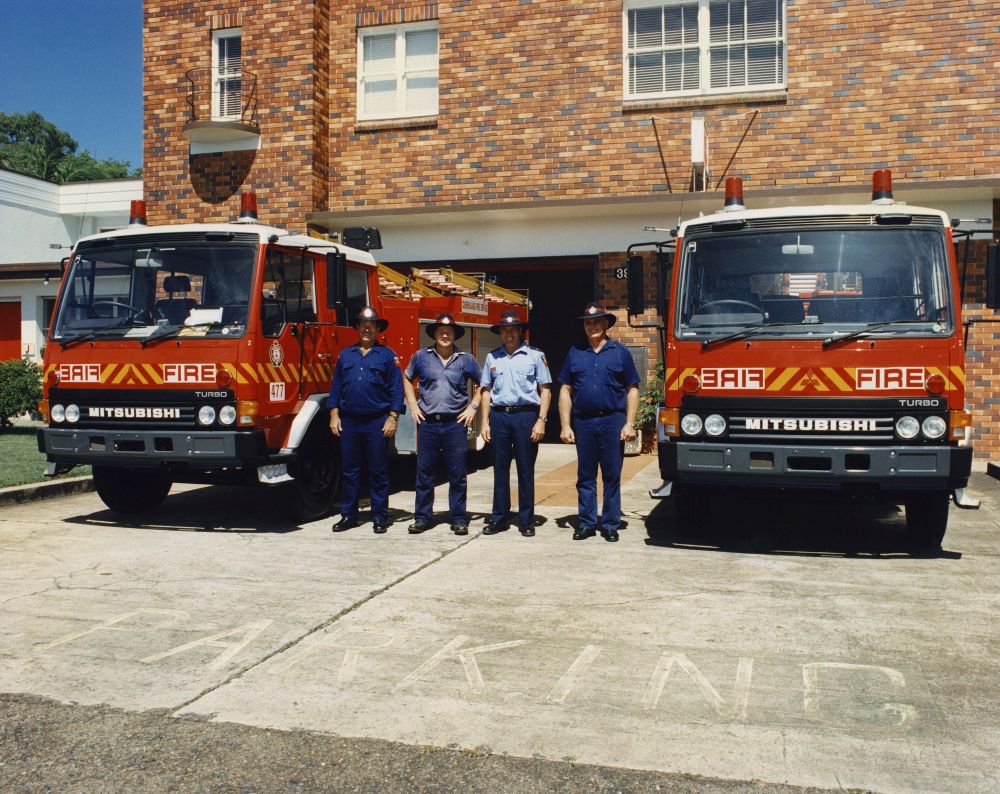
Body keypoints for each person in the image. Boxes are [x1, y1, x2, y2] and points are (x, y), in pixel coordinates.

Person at [558, 303, 640, 542]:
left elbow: (633, 389)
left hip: (612, 421)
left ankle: (611, 524)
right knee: (585, 475)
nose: (592, 326)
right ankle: (586, 523)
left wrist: (630, 423)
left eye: (596, 321)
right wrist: (565, 425)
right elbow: (565, 390)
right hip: (584, 422)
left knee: (612, 475)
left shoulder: (620, 352)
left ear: (605, 324)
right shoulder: (575, 353)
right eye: (587, 322)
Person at [403, 313, 482, 535]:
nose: (445, 335)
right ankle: (422, 518)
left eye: (449, 332)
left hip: (455, 425)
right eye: (441, 332)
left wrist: (473, 408)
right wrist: (413, 404)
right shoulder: (421, 357)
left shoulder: (466, 359)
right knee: (425, 474)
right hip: (428, 424)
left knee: (457, 474)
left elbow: (484, 384)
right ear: (435, 335)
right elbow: (406, 378)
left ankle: (458, 518)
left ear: (454, 335)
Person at [328, 306, 404, 534]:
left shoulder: (387, 355)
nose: (367, 329)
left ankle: (380, 517)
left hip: (376, 422)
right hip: (349, 422)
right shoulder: (346, 355)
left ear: (378, 329)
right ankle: (348, 516)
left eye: (371, 325)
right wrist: (334, 414)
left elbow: (396, 390)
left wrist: (393, 418)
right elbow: (336, 386)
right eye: (363, 325)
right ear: (357, 328)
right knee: (350, 471)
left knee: (377, 471)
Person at [480, 310, 552, 536]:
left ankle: (526, 520)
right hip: (499, 417)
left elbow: (546, 389)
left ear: (520, 331)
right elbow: (485, 390)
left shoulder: (535, 356)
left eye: (513, 329)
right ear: (500, 333)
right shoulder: (492, 357)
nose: (509, 334)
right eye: (504, 330)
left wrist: (541, 420)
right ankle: (499, 518)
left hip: (525, 416)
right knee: (499, 470)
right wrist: (484, 422)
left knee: (525, 470)